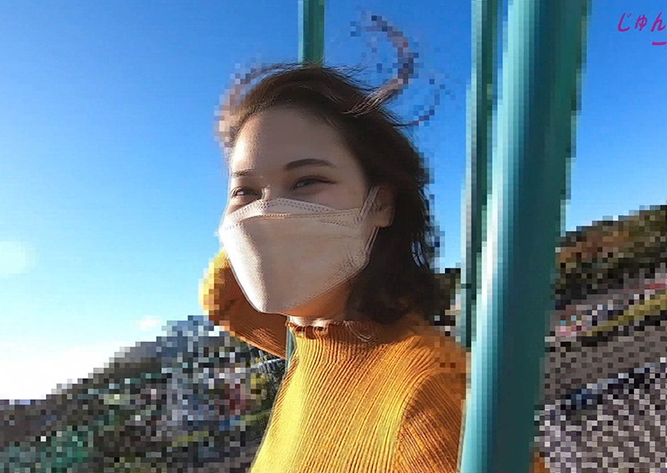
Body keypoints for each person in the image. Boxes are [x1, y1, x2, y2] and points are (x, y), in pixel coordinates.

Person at [200, 62, 548, 472]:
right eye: (245, 191)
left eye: (306, 181)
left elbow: (223, 302)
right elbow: (222, 301)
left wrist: (252, 196)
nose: (266, 213)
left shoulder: (429, 397)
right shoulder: (311, 340)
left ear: (380, 203)